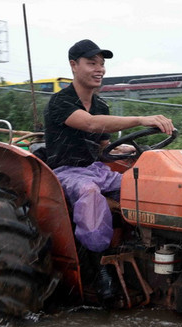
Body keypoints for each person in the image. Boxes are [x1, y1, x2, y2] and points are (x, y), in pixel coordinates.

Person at [45, 38, 175, 258]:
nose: (99, 70)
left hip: (96, 170)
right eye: (92, 63)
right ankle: (96, 258)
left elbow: (103, 147)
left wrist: (128, 149)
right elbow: (90, 123)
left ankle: (155, 245)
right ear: (73, 65)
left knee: (142, 187)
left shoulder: (100, 105)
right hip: (65, 172)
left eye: (102, 64)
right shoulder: (60, 101)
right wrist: (141, 119)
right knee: (89, 191)